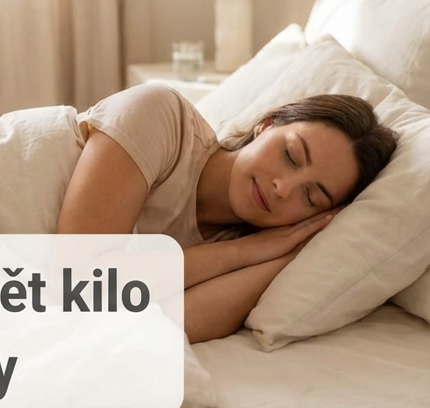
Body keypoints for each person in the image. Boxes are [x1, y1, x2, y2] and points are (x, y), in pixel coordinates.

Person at [57, 84, 398, 343]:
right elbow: (76, 284)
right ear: (267, 125)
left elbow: (168, 326)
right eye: (291, 155)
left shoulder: (250, 248)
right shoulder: (162, 116)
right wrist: (240, 252)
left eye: (311, 196)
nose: (283, 188)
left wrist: (292, 251)